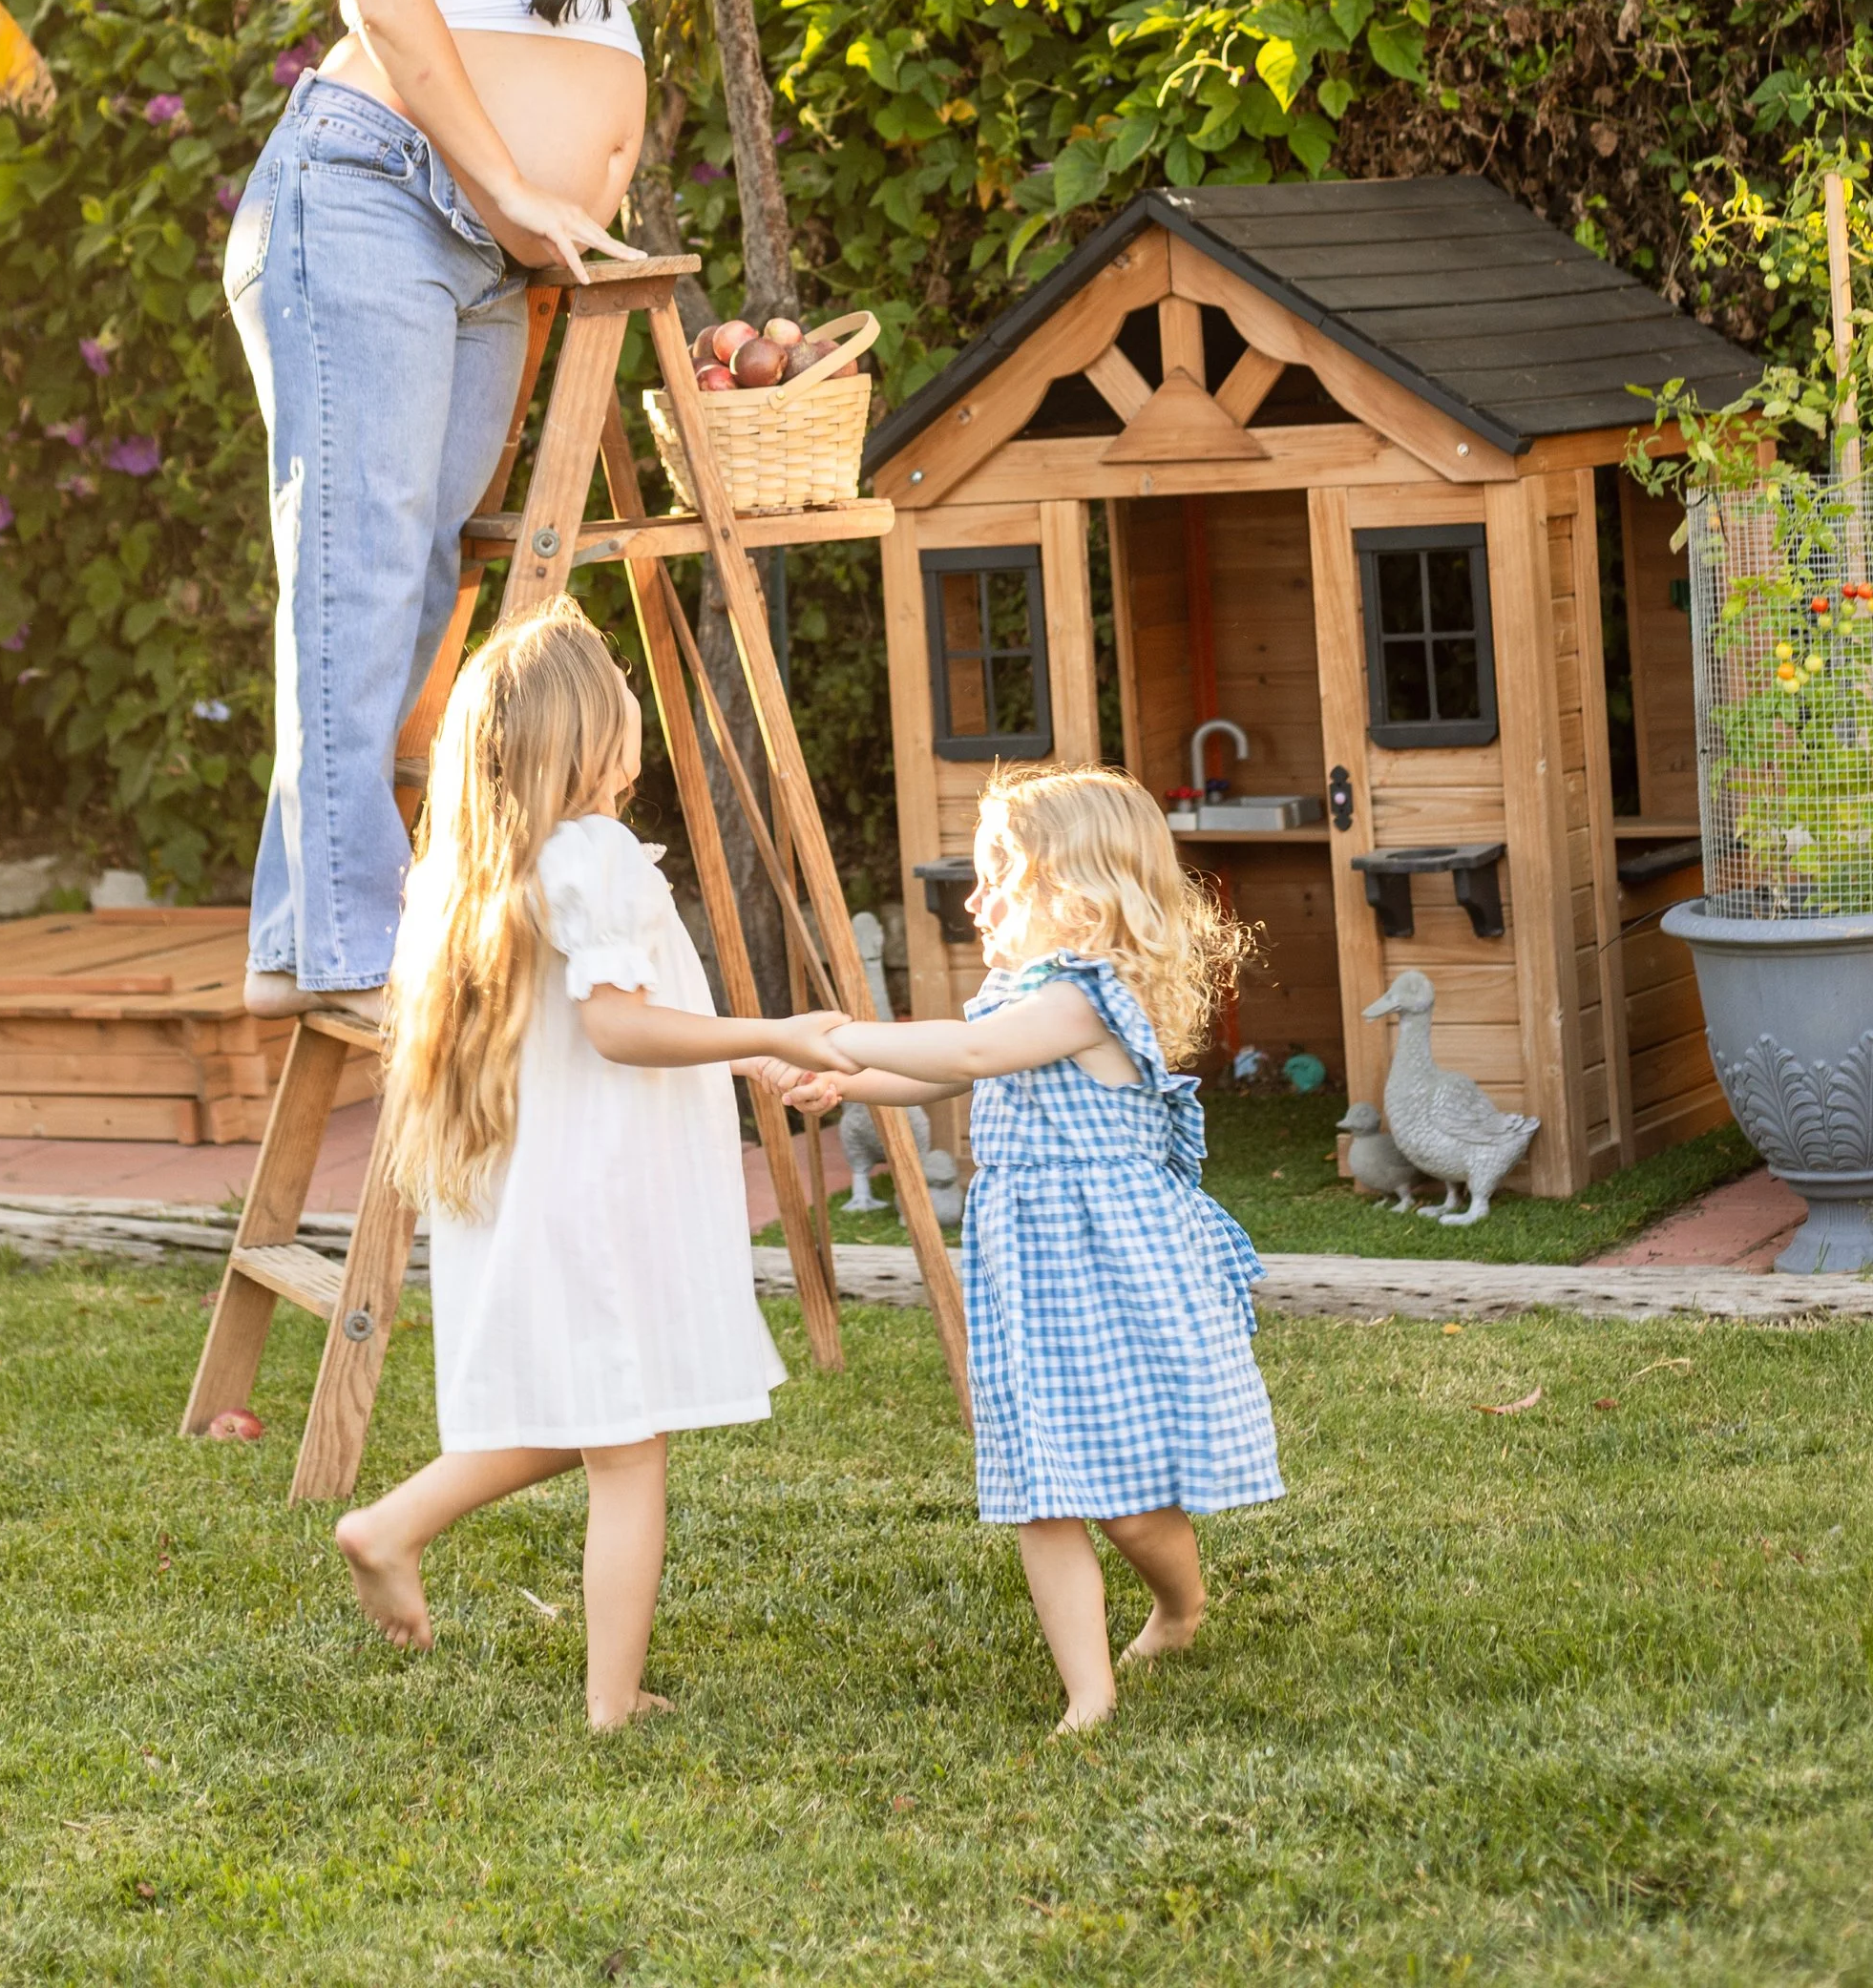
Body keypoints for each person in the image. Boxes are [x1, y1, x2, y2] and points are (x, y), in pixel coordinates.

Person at [333, 602, 853, 1730]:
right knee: (628, 1451)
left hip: (551, 1187)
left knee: (602, 1413)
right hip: (598, 1193)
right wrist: (767, 1038)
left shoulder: (488, 865)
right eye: (622, 710)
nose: (636, 734)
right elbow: (619, 1026)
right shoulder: (592, 854)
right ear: (586, 735)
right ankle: (612, 1703)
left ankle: (392, 1527)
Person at [222, 0, 650, 1027]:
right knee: (356, 568)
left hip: (486, 265)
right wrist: (515, 183)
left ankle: (291, 939)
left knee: (411, 583)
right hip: (372, 198)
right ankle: (355, 953)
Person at [791, 766, 1283, 1733]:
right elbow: (945, 1079)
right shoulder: (1018, 995)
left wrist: (840, 1039)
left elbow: (967, 1058)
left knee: (1133, 1506)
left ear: (1081, 893)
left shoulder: (1088, 998)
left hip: (1110, 1280)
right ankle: (1087, 1693)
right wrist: (844, 1080)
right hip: (1028, 1277)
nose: (975, 901)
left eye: (999, 877)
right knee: (1042, 1486)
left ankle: (1179, 1606)